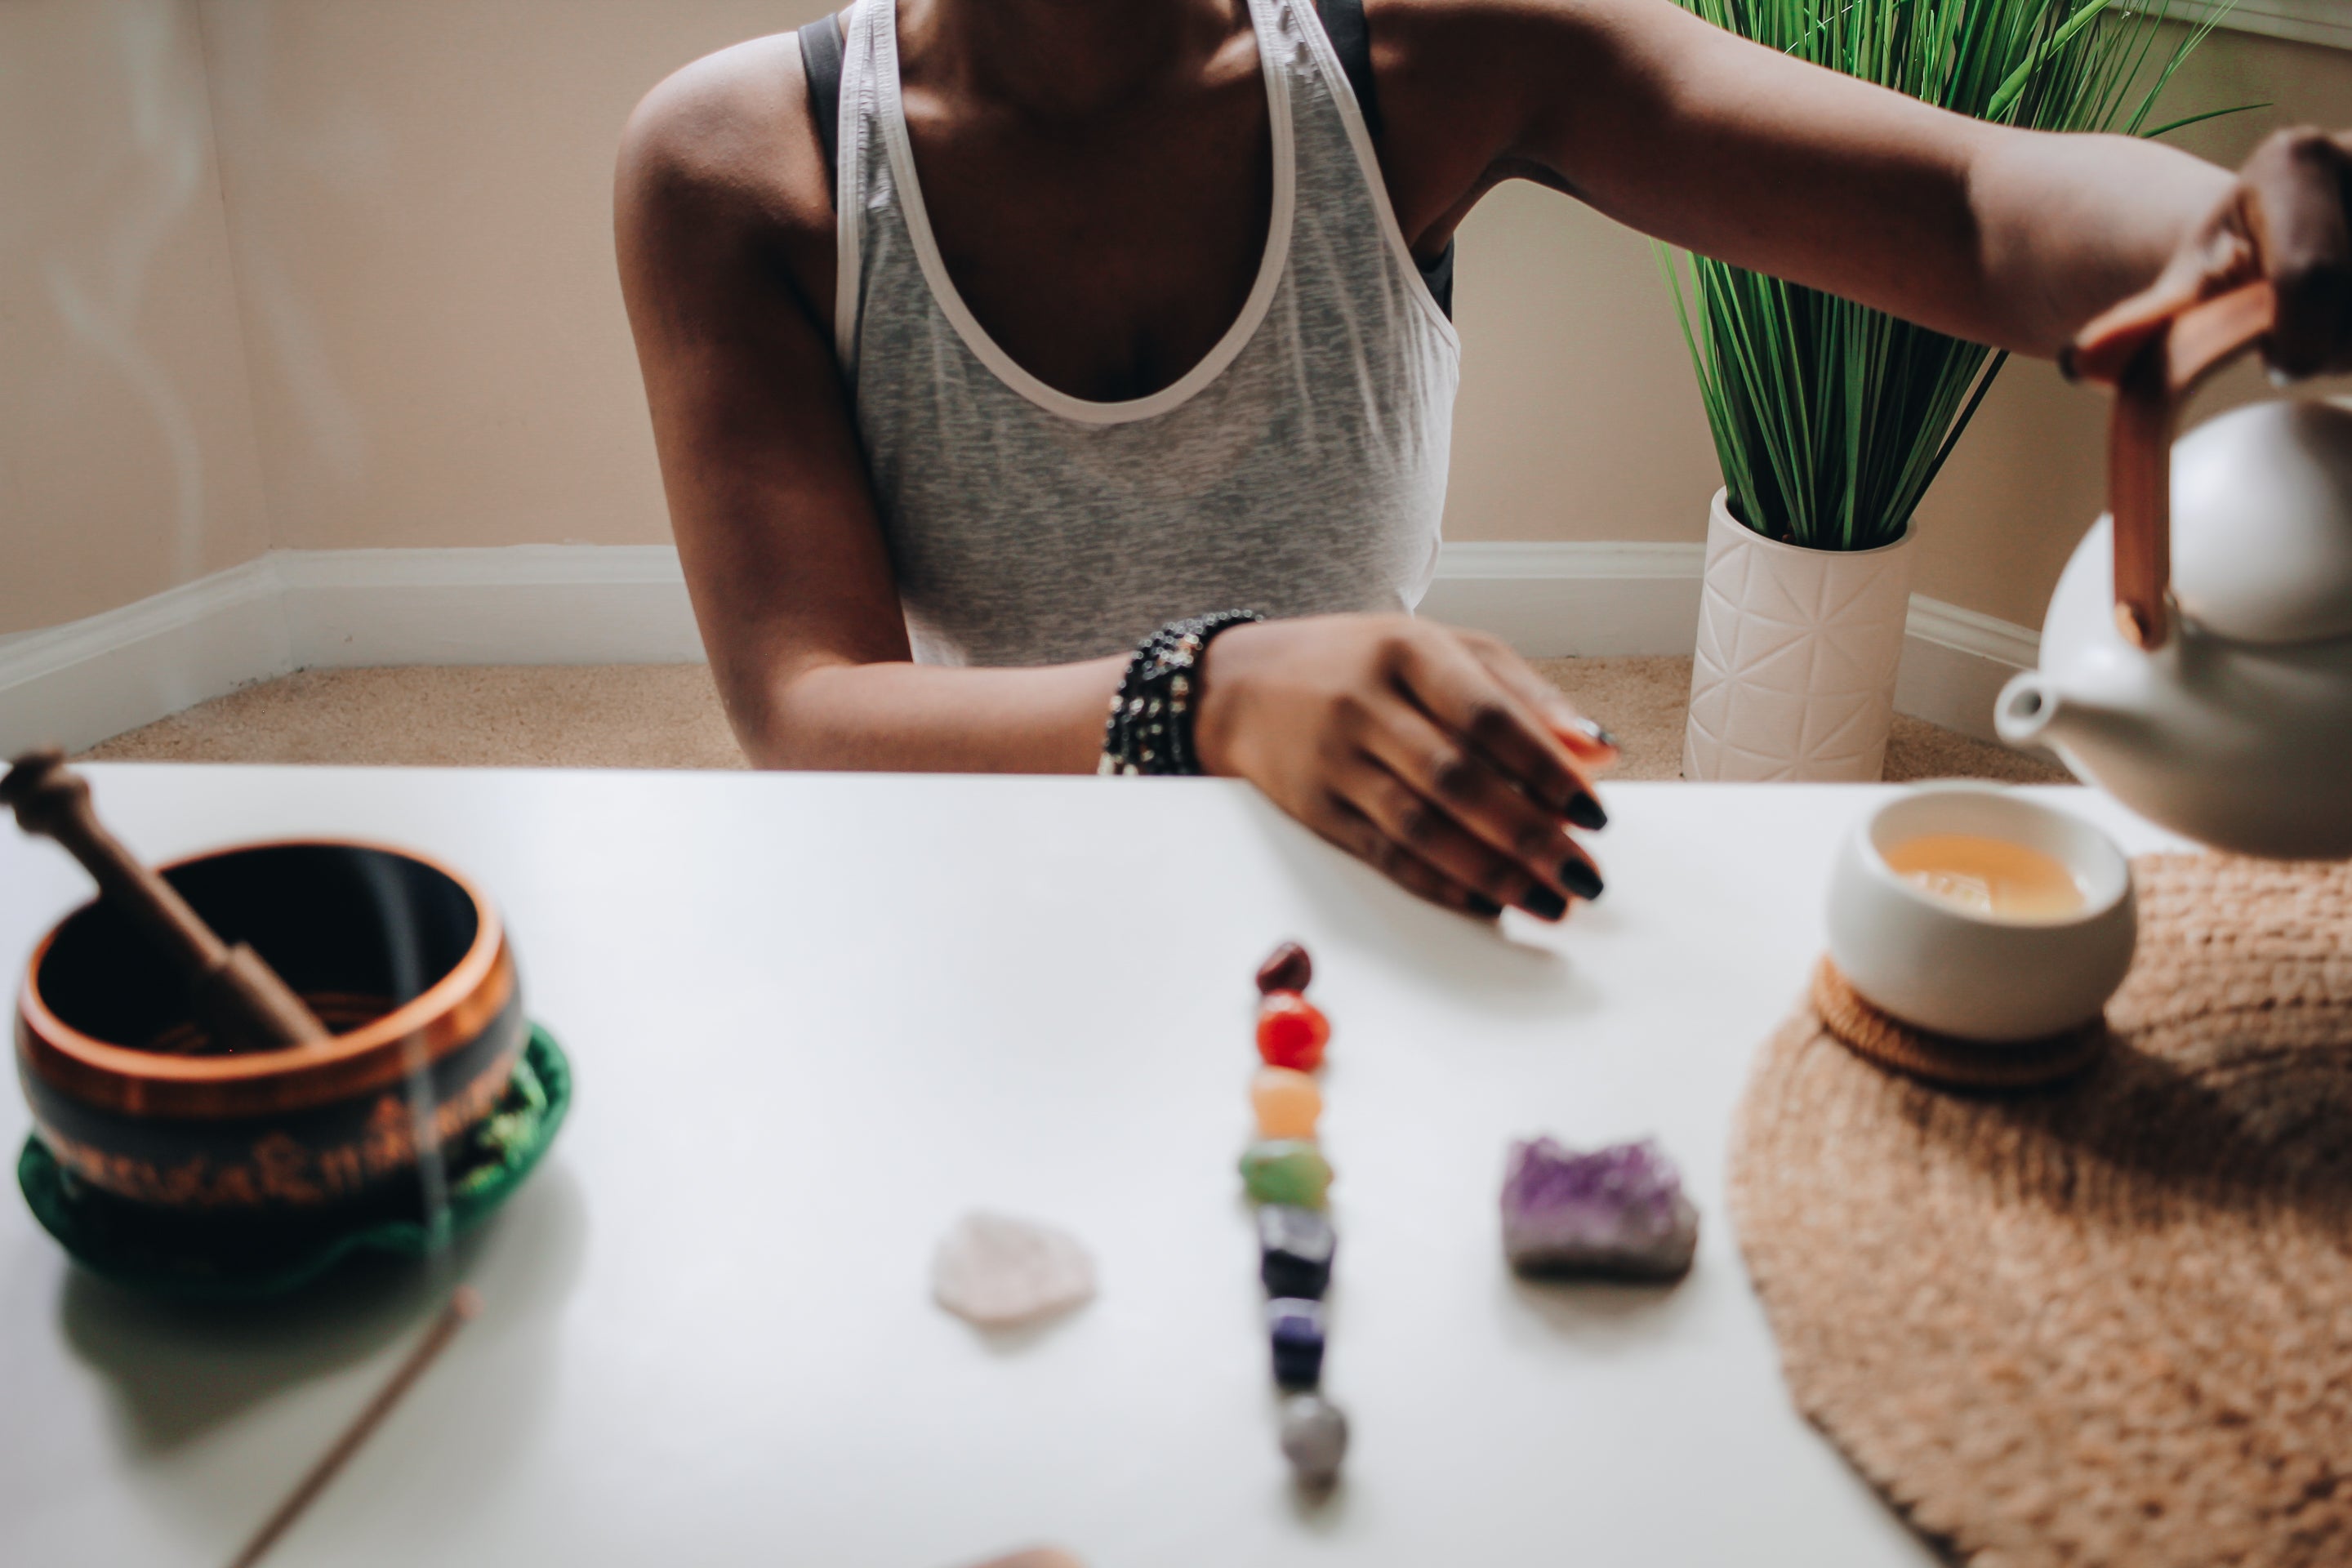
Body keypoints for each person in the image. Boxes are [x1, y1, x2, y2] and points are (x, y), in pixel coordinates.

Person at [615, 0, 2352, 923]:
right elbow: (810, 705)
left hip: (1393, 871)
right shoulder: (735, 163)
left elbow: (1976, 208)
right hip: (986, 885)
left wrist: (2239, 225)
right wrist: (1208, 690)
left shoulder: (1431, 54)